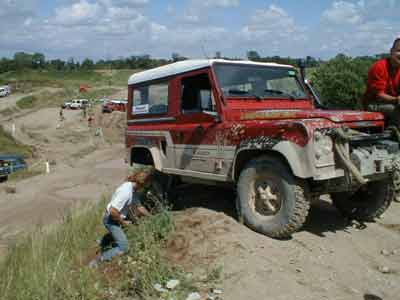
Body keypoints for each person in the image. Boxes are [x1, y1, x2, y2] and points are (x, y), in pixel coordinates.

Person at [89, 171, 152, 267]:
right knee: (124, 247)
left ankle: (102, 241)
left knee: (124, 230)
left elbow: (139, 207)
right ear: (141, 184)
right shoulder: (126, 192)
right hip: (111, 220)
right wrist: (124, 223)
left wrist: (151, 217)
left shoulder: (132, 189)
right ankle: (99, 260)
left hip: (116, 219)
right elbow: (113, 211)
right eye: (146, 186)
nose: (145, 188)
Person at [363, 38, 400, 125]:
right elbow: (379, 95)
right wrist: (396, 99)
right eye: (399, 50)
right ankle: (395, 133)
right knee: (397, 110)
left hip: (393, 102)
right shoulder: (379, 67)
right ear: (391, 51)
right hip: (374, 103)